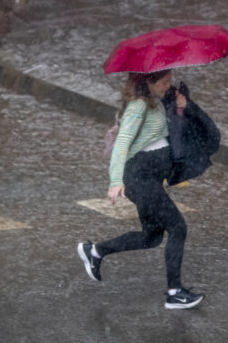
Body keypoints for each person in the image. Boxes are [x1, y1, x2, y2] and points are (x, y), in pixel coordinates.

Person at [77, 69, 205, 310]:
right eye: (164, 82)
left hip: (150, 180)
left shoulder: (154, 102)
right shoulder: (138, 107)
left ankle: (95, 251)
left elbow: (166, 134)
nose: (168, 86)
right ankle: (174, 292)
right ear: (149, 81)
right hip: (140, 180)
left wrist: (179, 107)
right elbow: (122, 143)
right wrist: (116, 181)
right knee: (178, 227)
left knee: (151, 237)